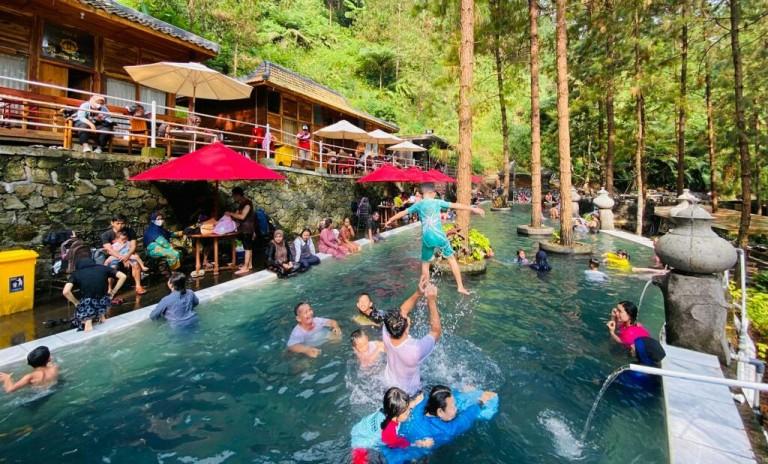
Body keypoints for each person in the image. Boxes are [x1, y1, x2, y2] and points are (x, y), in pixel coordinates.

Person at [385, 183, 485, 295]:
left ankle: (426, 287)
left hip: (427, 239)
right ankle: (460, 287)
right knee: (451, 260)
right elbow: (456, 205)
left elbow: (403, 212)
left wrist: (390, 220)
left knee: (425, 264)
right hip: (440, 237)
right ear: (432, 193)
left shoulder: (419, 204)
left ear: (423, 194)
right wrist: (472, 208)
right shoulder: (437, 202)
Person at [382, 284, 441, 396]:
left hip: (389, 386)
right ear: (406, 328)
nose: (407, 316)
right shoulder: (415, 350)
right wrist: (431, 301)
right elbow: (436, 331)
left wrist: (418, 293)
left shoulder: (386, 331)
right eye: (407, 319)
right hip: (409, 394)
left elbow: (403, 310)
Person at [399, 385, 497, 449]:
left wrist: (459, 390)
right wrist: (481, 402)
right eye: (453, 406)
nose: (456, 408)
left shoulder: (418, 407)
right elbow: (466, 417)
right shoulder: (448, 430)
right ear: (440, 411)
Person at [63, 258, 127, 331]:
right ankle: (103, 321)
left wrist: (76, 302)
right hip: (104, 300)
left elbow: (66, 292)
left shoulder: (76, 273)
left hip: (88, 303)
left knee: (85, 322)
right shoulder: (103, 268)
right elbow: (123, 276)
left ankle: (88, 325)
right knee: (102, 316)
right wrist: (113, 292)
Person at [101, 214, 145, 295]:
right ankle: (110, 288)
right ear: (112, 223)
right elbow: (109, 250)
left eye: (122, 223)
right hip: (114, 256)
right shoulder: (106, 235)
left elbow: (133, 245)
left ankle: (138, 286)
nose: (120, 225)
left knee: (136, 264)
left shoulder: (130, 231)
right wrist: (122, 258)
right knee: (111, 268)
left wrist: (127, 256)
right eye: (118, 223)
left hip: (128, 253)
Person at [226, 187, 255, 275]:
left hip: (247, 229)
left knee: (247, 248)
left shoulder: (247, 204)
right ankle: (249, 265)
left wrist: (231, 214)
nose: (233, 198)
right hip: (243, 228)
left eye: (234, 196)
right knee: (248, 247)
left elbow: (242, 216)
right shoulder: (241, 204)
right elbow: (237, 214)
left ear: (238, 195)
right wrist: (232, 215)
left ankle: (246, 267)